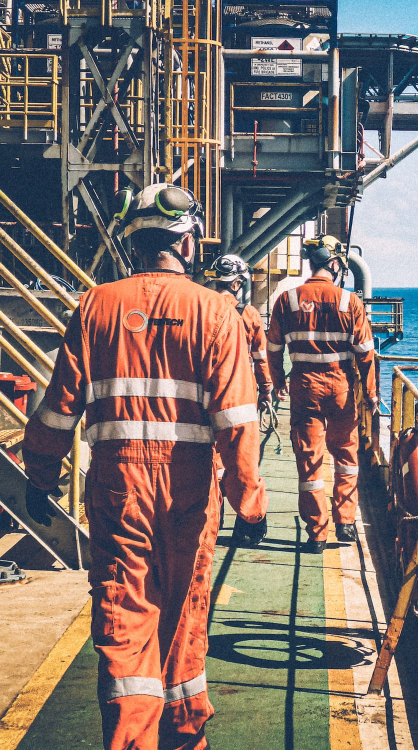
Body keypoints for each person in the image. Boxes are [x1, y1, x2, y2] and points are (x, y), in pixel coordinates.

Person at [21, 183, 268, 750]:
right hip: (188, 491)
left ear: (132, 243)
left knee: (126, 616)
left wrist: (40, 476)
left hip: (116, 491)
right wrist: (249, 501)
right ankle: (184, 739)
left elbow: (59, 408)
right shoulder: (216, 311)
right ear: (189, 241)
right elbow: (235, 418)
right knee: (184, 616)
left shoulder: (95, 306)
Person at [266, 236, 377, 553]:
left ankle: (316, 534)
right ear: (334, 263)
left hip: (304, 387)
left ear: (310, 263)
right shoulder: (349, 302)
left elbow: (273, 348)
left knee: (309, 463)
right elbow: (366, 355)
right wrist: (369, 394)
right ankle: (346, 523)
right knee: (346, 458)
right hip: (340, 386)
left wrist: (277, 382)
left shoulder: (286, 301)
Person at [204, 254, 273, 407]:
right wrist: (265, 389)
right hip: (241, 385)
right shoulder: (249, 314)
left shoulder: (203, 309)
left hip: (207, 384)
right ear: (236, 284)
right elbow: (260, 356)